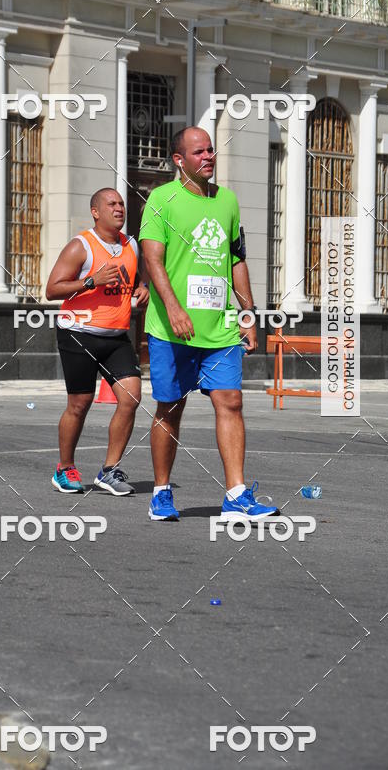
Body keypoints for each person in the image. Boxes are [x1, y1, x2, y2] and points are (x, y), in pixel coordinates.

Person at [139, 126, 279, 521]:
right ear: (178, 160)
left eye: (211, 150)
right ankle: (162, 491)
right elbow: (153, 260)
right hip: (171, 328)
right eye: (199, 152)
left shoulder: (228, 202)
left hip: (219, 327)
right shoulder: (161, 200)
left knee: (231, 402)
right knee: (170, 406)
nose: (209, 157)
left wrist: (248, 313)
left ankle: (236, 494)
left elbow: (236, 260)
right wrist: (174, 309)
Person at [46, 188, 149, 495]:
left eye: (121, 204)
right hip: (78, 333)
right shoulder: (82, 246)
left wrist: (143, 288)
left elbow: (138, 278)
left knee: (131, 398)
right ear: (96, 212)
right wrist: (92, 280)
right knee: (80, 404)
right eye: (112, 204)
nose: (119, 208)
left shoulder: (131, 244)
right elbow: (52, 289)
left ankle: (109, 471)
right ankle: (64, 469)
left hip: (116, 335)